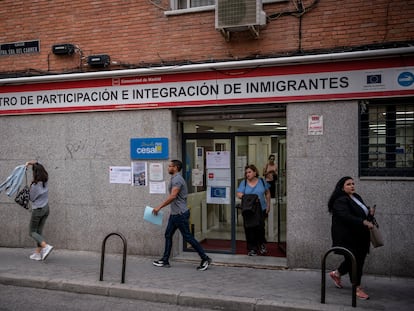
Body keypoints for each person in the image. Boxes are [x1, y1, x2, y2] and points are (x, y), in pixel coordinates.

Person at [152, 159, 212, 271]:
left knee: (188, 237)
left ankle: (205, 258)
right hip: (175, 214)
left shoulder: (177, 180)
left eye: (170, 166)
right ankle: (165, 260)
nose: (168, 168)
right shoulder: (174, 178)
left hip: (180, 214)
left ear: (175, 167)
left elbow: (173, 196)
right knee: (168, 235)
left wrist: (159, 207)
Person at [327, 176, 374, 300]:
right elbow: (345, 216)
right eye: (348, 184)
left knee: (354, 259)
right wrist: (363, 222)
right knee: (356, 261)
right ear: (342, 187)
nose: (352, 186)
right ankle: (357, 288)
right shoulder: (340, 200)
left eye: (353, 183)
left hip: (360, 235)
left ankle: (336, 273)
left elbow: (359, 213)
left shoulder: (356, 196)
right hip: (348, 236)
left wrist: (369, 213)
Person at [237, 164, 271, 256]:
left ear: (255, 172)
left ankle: (262, 245)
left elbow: (267, 193)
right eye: (246, 172)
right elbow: (239, 194)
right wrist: (249, 197)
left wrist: (268, 205)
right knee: (249, 229)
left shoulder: (262, 181)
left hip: (261, 209)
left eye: (249, 172)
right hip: (248, 210)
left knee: (260, 228)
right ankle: (252, 248)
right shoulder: (243, 183)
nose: (247, 174)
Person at [25, 160, 54, 261]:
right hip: (46, 208)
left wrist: (29, 189)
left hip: (38, 210)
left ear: (35, 173)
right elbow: (39, 164)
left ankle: (45, 247)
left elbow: (32, 198)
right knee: (39, 232)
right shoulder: (45, 180)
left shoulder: (35, 185)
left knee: (32, 232)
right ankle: (37, 253)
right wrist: (31, 163)